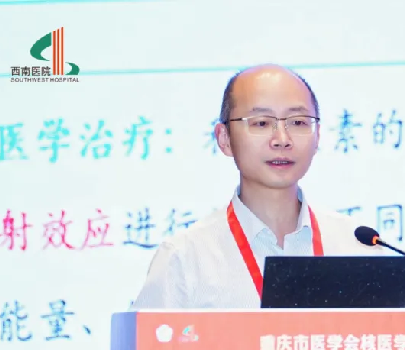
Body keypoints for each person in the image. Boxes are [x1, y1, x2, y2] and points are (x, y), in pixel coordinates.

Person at [131, 63, 380, 310]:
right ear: (224, 138)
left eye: (298, 122)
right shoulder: (186, 259)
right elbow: (144, 338)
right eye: (261, 123)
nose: (282, 140)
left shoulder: (359, 249)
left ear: (318, 137)